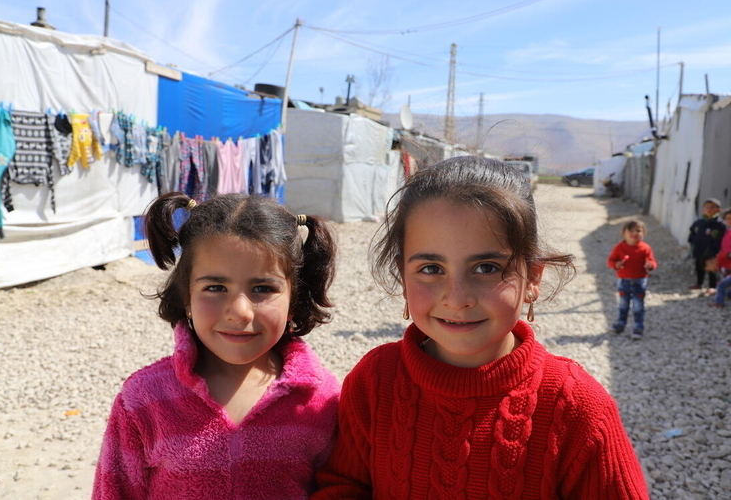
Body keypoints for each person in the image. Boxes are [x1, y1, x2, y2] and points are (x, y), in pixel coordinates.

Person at [312, 156, 649, 499]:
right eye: (430, 269)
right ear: (403, 275)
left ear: (533, 276)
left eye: (486, 267)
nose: (457, 299)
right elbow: (343, 485)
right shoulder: (375, 381)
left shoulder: (577, 407)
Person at [93, 192, 340, 499]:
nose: (239, 312)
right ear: (186, 296)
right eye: (215, 288)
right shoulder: (144, 400)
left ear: (294, 299)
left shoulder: (323, 401)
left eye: (262, 288)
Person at [607, 220, 658, 339]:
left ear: (643, 233)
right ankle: (620, 324)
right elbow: (610, 261)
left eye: (638, 230)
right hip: (623, 280)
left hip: (640, 281)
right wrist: (616, 264)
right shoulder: (619, 248)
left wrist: (650, 265)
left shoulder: (645, 248)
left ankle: (638, 327)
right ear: (623, 233)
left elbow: (653, 262)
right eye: (631, 230)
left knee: (638, 306)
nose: (634, 233)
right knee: (623, 304)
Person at [687, 198, 726, 292]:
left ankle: (713, 286)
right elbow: (692, 232)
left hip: (712, 251)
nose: (709, 209)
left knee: (712, 270)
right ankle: (699, 283)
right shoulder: (699, 222)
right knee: (699, 267)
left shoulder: (719, 224)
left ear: (718, 210)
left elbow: (722, 238)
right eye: (707, 207)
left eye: (712, 207)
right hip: (699, 249)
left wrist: (717, 249)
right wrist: (692, 240)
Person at [710, 209, 731, 307]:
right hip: (725, 262)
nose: (729, 221)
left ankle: (719, 302)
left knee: (722, 284)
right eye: (727, 219)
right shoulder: (726, 232)